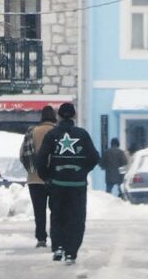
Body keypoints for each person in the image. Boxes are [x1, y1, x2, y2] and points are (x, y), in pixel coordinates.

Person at [35, 102, 100, 265]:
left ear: (58, 117)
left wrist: (47, 177)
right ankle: (71, 251)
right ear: (74, 116)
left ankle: (58, 247)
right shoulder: (82, 135)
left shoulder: (52, 135)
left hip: (57, 183)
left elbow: (41, 159)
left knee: (57, 216)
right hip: (77, 186)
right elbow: (94, 157)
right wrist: (82, 171)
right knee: (76, 218)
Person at [19, 105, 57, 248]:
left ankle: (41, 238)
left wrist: (31, 169)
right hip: (54, 177)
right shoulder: (57, 132)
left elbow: (22, 154)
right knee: (55, 209)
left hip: (35, 179)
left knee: (39, 210)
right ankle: (55, 235)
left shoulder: (31, 132)